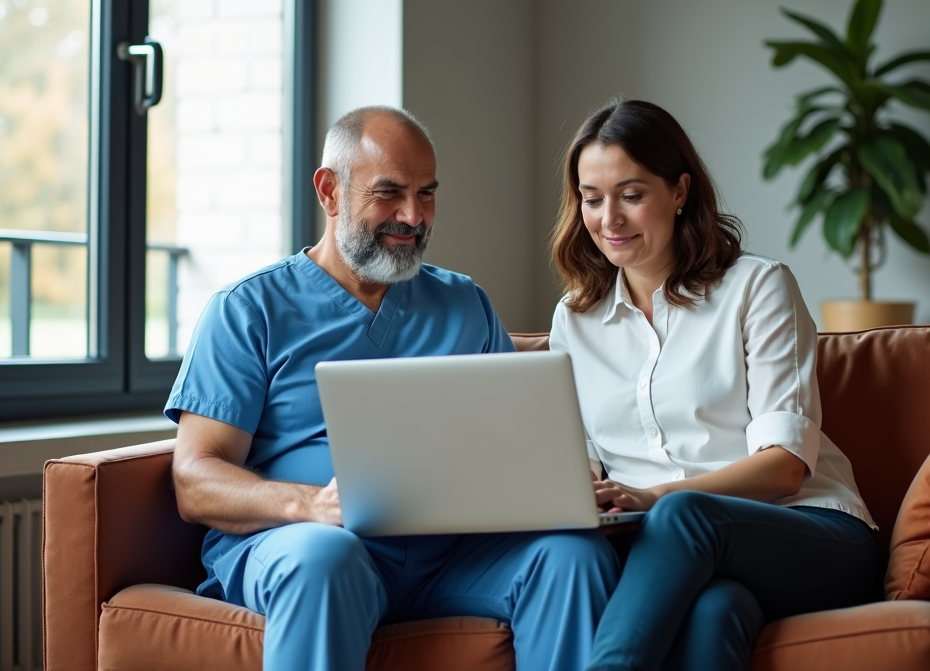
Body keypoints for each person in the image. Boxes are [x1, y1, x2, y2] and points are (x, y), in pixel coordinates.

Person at [167, 106, 619, 671]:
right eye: (389, 193)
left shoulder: (464, 303)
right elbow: (195, 480)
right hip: (311, 542)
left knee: (572, 555)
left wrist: (559, 479)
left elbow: (519, 438)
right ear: (329, 191)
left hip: (453, 554)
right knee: (325, 557)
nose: (413, 215)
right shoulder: (247, 310)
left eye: (427, 193)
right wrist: (310, 504)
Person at [548, 99, 879, 671]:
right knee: (714, 613)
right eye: (592, 198)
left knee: (683, 515)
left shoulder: (758, 287)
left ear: (679, 191)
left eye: (631, 195)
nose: (609, 220)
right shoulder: (574, 320)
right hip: (676, 558)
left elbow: (785, 466)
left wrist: (653, 500)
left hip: (810, 530)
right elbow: (574, 465)